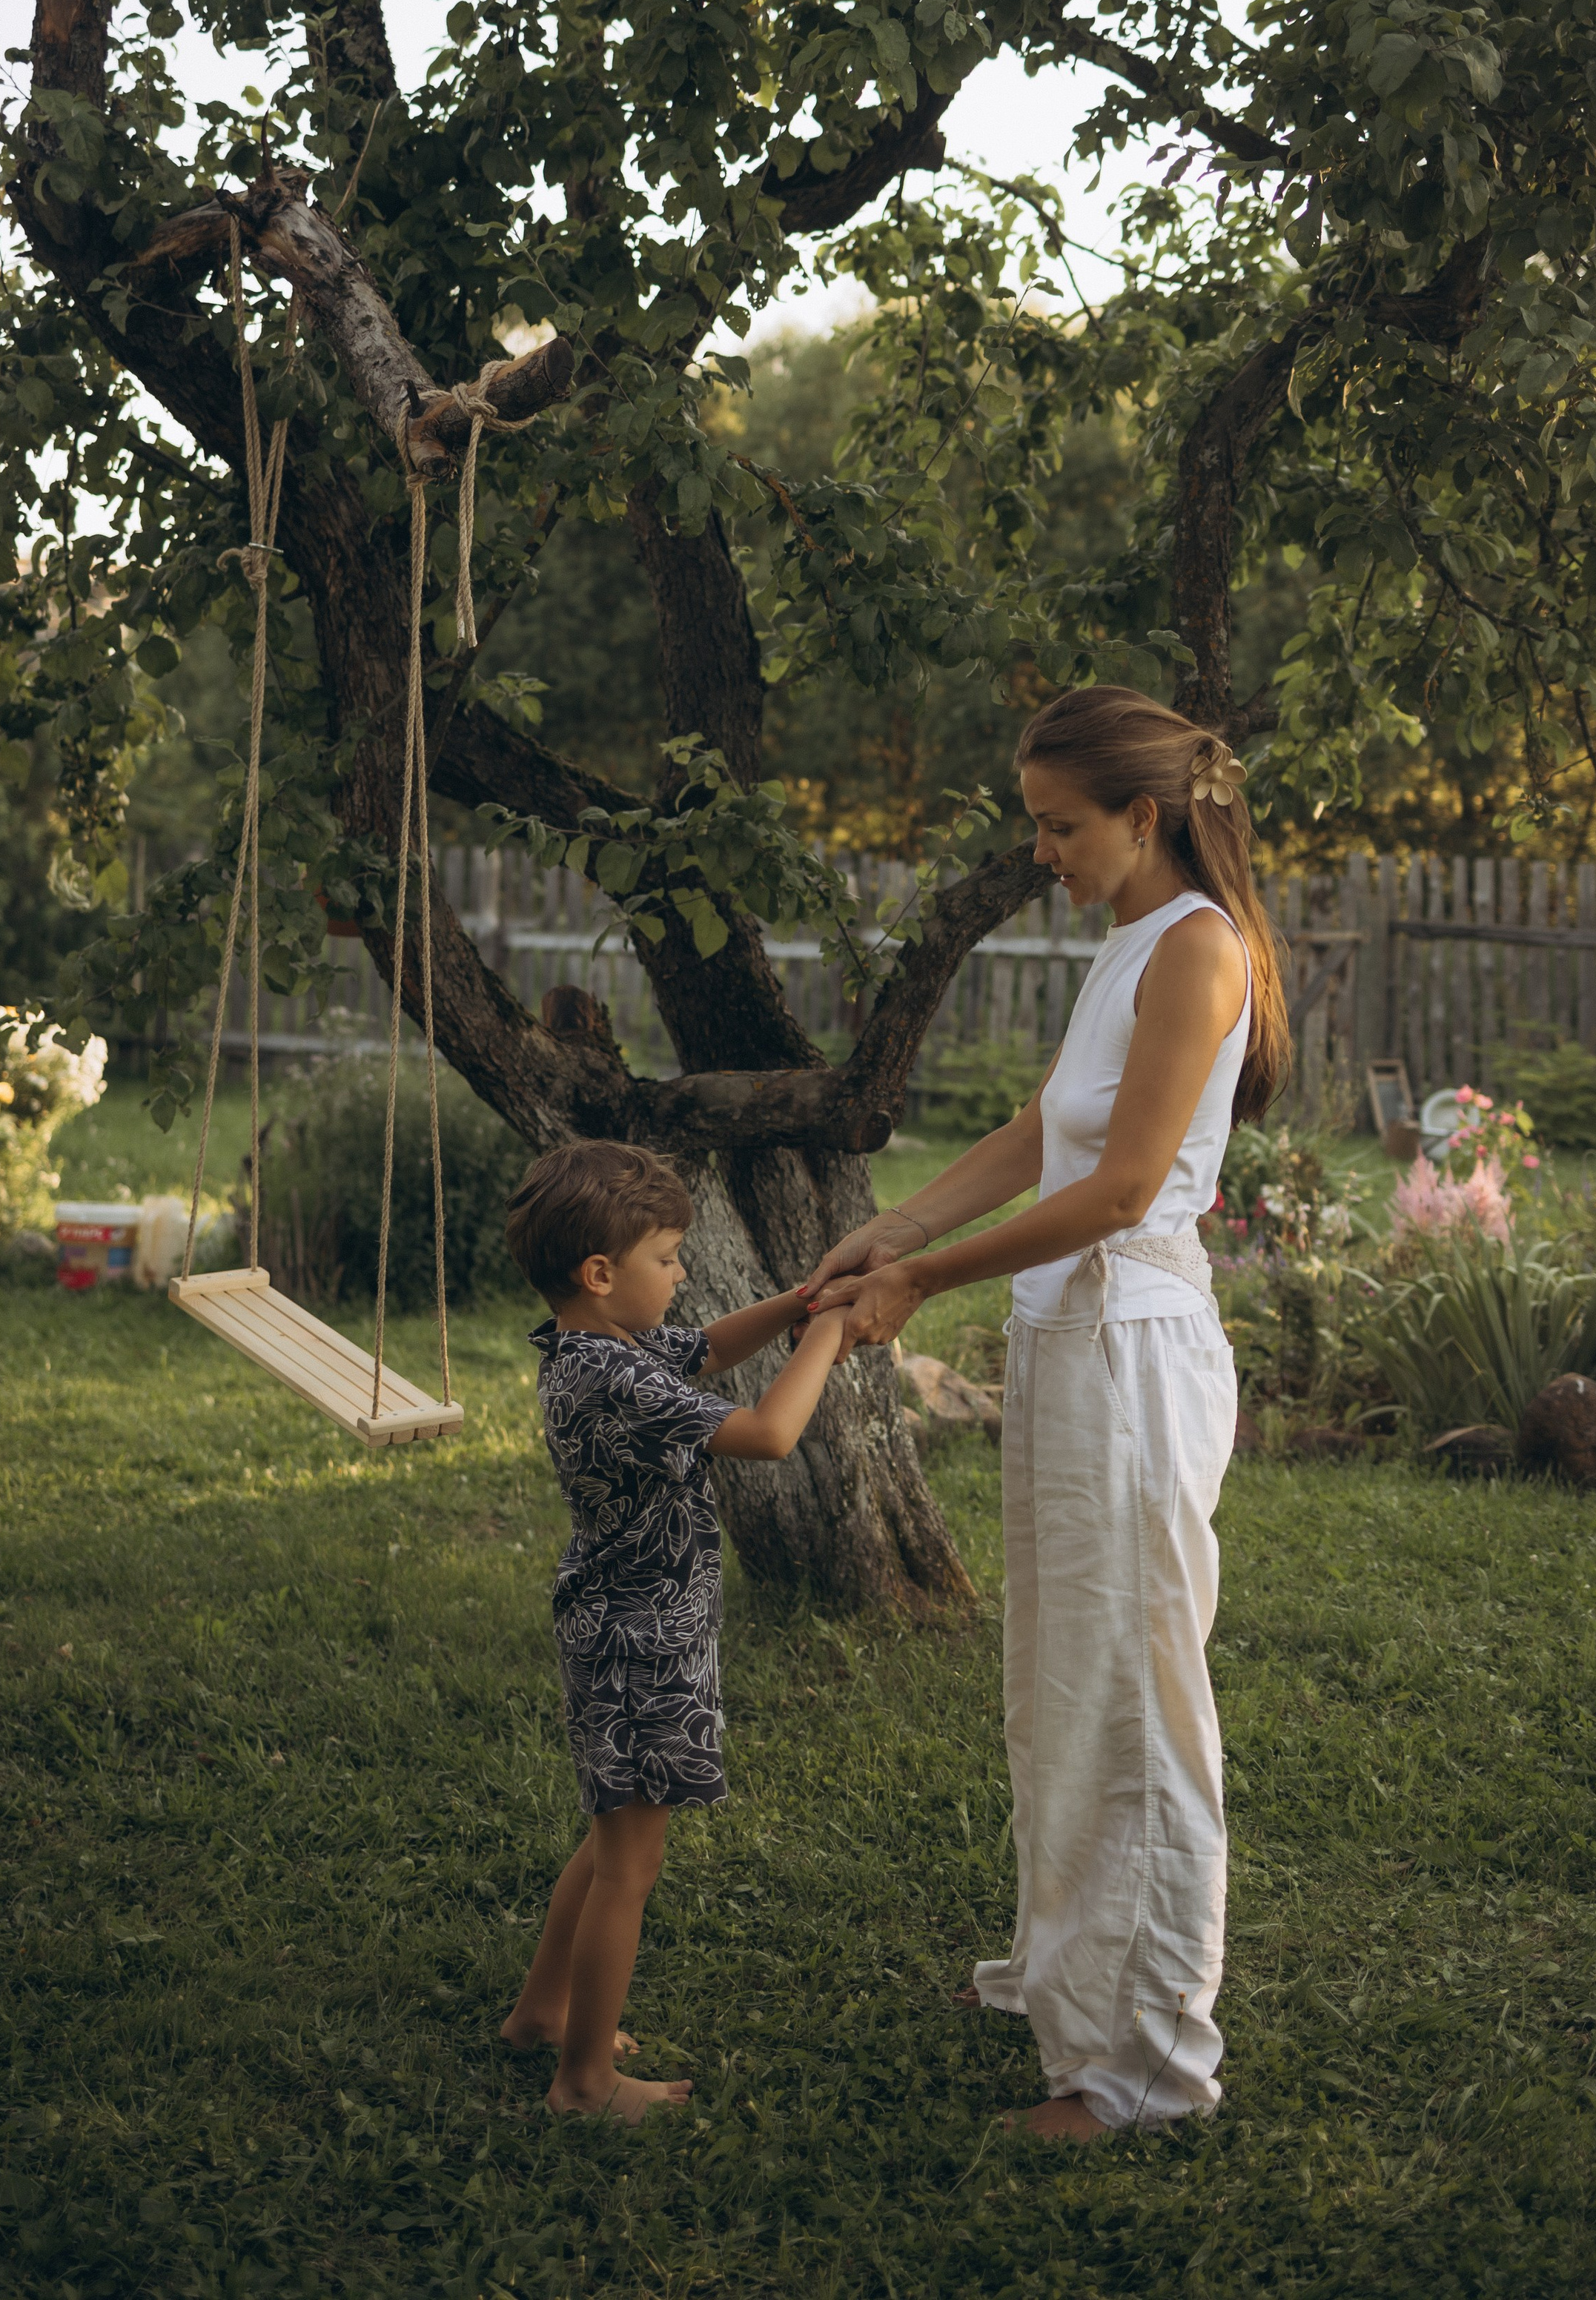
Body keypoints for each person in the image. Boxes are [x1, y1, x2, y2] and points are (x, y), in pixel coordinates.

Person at [807, 686, 1288, 2143]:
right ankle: (1051, 1971)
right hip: (1070, 1342)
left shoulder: (1198, 949)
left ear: (1142, 818)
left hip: (1132, 1344)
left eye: (1060, 827)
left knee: (1139, 1713)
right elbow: (1039, 1132)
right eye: (1034, 825)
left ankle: (1145, 2072)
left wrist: (927, 1285)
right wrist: (890, 1232)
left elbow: (1123, 1187)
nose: (1042, 854)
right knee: (1056, 1679)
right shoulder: (1125, 943)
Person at [497, 1139, 850, 2125]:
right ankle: (584, 2084)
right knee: (629, 1868)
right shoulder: (612, 1379)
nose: (682, 1272)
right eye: (666, 1258)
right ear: (600, 1274)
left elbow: (709, 1348)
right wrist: (835, 1338)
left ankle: (542, 2013)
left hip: (629, 1626)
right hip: (640, 1640)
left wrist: (801, 1303)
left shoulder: (600, 1349)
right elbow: (769, 1435)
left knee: (609, 1844)